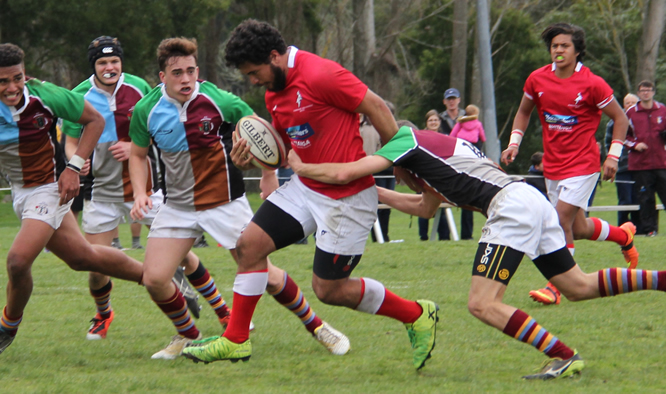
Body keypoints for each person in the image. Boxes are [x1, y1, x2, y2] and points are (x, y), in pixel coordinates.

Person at [288, 124, 666, 380]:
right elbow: (425, 208)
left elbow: (345, 172)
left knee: (482, 304)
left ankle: (563, 355)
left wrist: (302, 169)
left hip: (511, 209)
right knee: (576, 285)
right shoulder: (436, 149)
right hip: (528, 198)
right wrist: (374, 189)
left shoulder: (405, 142)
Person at [182, 20, 438, 369]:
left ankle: (416, 313)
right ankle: (236, 339)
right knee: (249, 246)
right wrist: (251, 156)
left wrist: (399, 161)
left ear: (274, 56)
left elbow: (376, 106)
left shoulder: (321, 74)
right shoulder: (274, 91)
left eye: (255, 72)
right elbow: (285, 142)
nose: (254, 81)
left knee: (329, 290)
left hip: (346, 197)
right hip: (306, 187)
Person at [129, 37, 350, 359]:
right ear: (162, 77)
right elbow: (137, 155)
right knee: (154, 278)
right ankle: (188, 335)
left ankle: (318, 327)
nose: (186, 79)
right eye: (177, 73)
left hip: (225, 205)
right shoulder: (146, 109)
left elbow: (264, 135)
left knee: (270, 279)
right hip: (176, 206)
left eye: (191, 71)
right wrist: (139, 192)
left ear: (198, 70)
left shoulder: (221, 101)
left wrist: (268, 175)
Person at [0, 43, 146, 359]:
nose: (12, 88)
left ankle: (5, 330)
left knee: (18, 260)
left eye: (17, 79)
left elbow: (94, 121)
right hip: (21, 191)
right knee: (82, 258)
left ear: (26, 74)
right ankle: (157, 276)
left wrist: (74, 168)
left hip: (51, 186)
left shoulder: (43, 94)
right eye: (3, 81)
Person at [66, 36, 223, 344]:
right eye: (102, 63)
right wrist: (76, 160)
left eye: (114, 61)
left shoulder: (139, 88)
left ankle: (221, 309)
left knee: (185, 256)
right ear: (93, 66)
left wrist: (132, 145)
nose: (109, 67)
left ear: (121, 63)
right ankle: (103, 314)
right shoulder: (79, 95)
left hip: (146, 192)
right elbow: (71, 139)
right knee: (95, 264)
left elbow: (160, 127)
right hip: (103, 193)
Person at [500, 23, 639, 306]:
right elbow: (523, 112)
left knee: (559, 220)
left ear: (577, 51)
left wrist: (613, 156)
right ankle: (623, 235)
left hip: (584, 165)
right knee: (577, 228)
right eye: (554, 46)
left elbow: (621, 119)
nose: (559, 50)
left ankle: (557, 286)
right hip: (553, 164)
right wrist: (514, 143)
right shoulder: (537, 79)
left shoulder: (592, 83)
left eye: (565, 46)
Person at [625, 80, 666, 236]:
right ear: (639, 93)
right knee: (645, 198)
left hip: (661, 162)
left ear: (653, 92)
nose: (646, 93)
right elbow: (623, 136)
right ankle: (650, 230)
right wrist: (635, 145)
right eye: (642, 90)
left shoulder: (662, 110)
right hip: (640, 164)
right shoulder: (631, 113)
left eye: (648, 90)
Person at [450, 104, 487, 239]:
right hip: (473, 156)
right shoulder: (477, 124)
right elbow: (483, 138)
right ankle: (468, 234)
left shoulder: (460, 123)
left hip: (460, 154)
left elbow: (452, 136)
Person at [605, 93, 639, 229]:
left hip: (640, 167)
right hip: (622, 167)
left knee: (639, 199)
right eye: (627, 103)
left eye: (633, 103)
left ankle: (640, 228)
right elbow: (608, 143)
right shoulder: (614, 122)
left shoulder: (642, 121)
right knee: (625, 200)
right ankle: (623, 228)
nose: (630, 105)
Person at [360, 113, 395, 242]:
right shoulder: (362, 128)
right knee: (374, 206)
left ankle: (383, 236)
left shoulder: (373, 128)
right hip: (367, 170)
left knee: (386, 205)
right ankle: (375, 236)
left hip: (385, 170)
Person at [419, 110, 450, 241]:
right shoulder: (420, 137)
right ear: (426, 123)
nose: (433, 122)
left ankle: (444, 237)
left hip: (441, 176)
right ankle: (424, 237)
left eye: (435, 120)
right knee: (423, 206)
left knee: (441, 208)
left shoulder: (446, 137)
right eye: (430, 120)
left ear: (439, 122)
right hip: (424, 175)